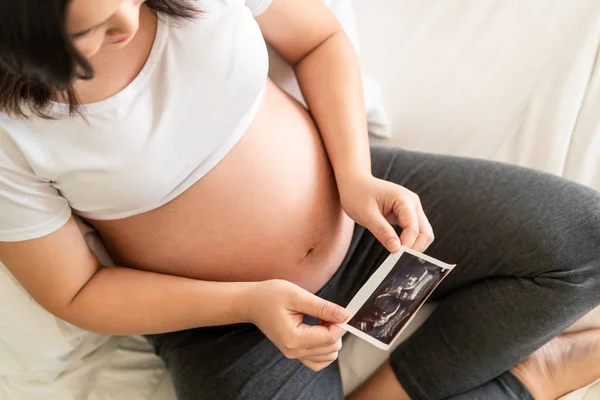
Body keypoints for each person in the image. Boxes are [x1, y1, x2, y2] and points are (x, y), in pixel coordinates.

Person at [0, 0, 599, 399]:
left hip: (358, 209)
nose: (128, 23)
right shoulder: (11, 134)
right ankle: (526, 382)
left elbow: (318, 39)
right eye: (92, 31)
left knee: (584, 242)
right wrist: (250, 303)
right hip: (225, 320)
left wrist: (357, 176)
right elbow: (75, 291)